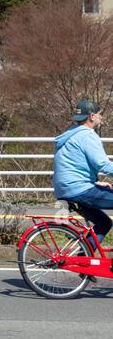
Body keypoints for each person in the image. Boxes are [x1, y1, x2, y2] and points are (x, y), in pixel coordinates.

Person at [52, 101, 113, 242]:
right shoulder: (87, 136)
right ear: (92, 116)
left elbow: (73, 164)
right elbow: (103, 165)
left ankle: (83, 259)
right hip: (80, 190)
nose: (101, 117)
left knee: (104, 223)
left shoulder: (70, 134)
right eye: (99, 114)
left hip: (66, 189)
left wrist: (95, 183)